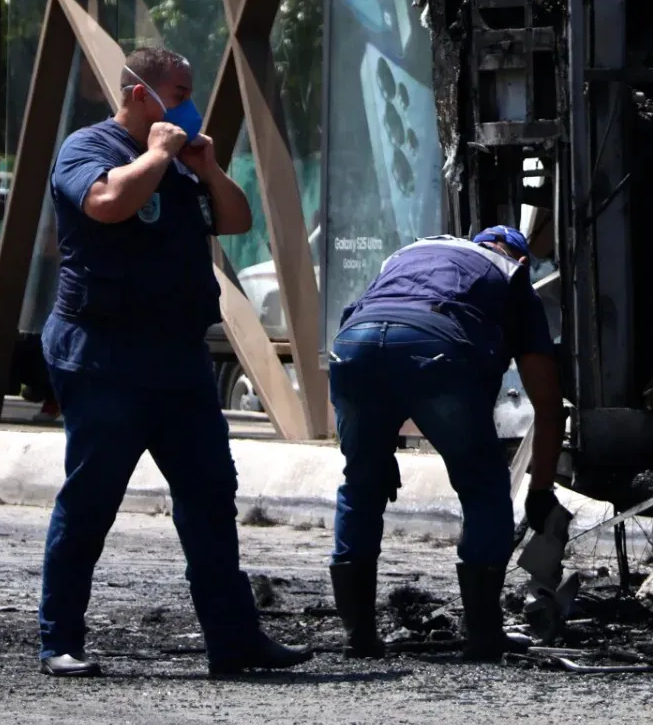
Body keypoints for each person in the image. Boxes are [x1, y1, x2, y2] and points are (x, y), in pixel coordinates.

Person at [36, 47, 310, 678]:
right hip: (104, 354)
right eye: (180, 90)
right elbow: (107, 204)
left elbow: (235, 220)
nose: (191, 103)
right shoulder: (89, 148)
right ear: (140, 96)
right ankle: (61, 641)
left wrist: (207, 168)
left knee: (211, 495)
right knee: (93, 497)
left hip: (178, 357)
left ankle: (235, 641)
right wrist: (156, 155)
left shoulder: (186, 165)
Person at [326, 226, 564, 661]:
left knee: (361, 486)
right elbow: (548, 406)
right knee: (484, 486)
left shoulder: (409, 255)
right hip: (435, 348)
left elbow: (369, 324)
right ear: (524, 261)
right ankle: (484, 634)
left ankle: (358, 635)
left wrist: (377, 446)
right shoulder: (512, 274)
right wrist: (541, 493)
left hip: (352, 346)